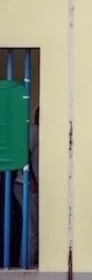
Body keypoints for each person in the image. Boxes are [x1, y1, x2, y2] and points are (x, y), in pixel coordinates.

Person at [14, 107, 39, 267]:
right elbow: (25, 154)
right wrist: (33, 180)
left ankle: (30, 262)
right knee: (31, 228)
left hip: (29, 185)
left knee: (33, 227)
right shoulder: (34, 131)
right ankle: (27, 264)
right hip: (26, 185)